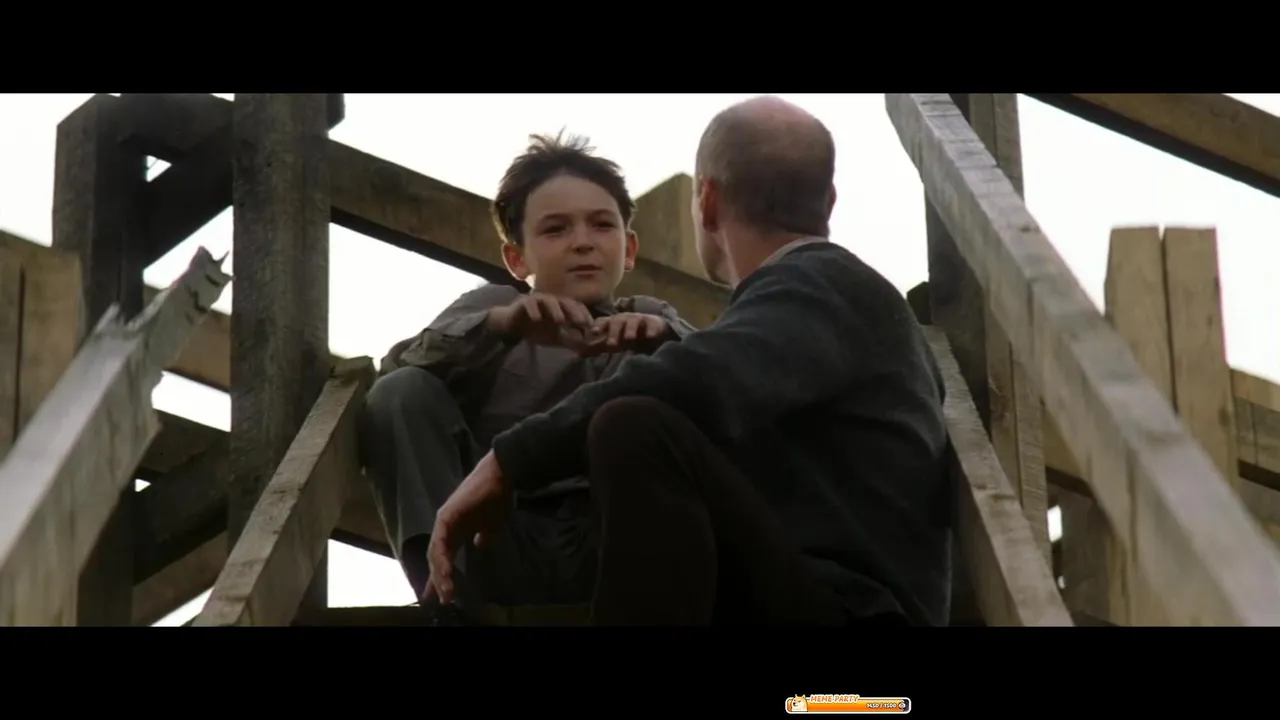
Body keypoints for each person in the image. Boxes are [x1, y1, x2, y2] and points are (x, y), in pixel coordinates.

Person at [424, 96, 953, 626]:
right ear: (829, 201)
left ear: (707, 200)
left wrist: (509, 460)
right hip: (828, 617)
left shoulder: (821, 286)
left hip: (853, 639)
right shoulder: (834, 301)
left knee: (636, 426)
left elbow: (694, 380)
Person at [359, 131, 697, 617]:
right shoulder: (492, 309)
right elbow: (396, 376)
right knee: (400, 391)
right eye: (556, 230)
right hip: (495, 536)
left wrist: (666, 341)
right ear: (517, 258)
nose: (583, 242)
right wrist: (500, 327)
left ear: (629, 249)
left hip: (610, 542)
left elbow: (725, 376)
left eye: (602, 225)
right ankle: (445, 601)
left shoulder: (651, 317)